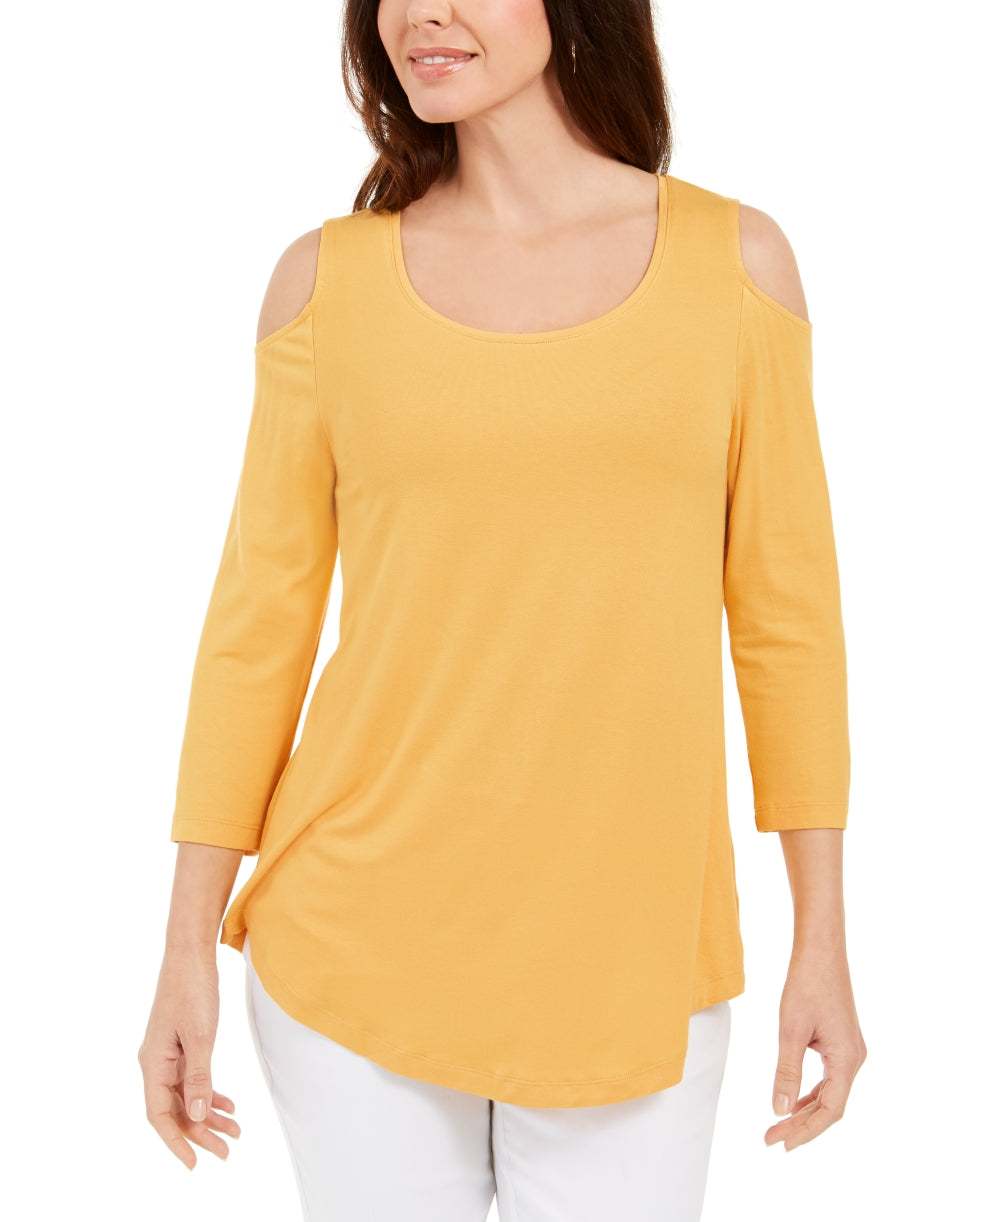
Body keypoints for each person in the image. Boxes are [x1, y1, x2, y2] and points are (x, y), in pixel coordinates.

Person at [138, 1, 867, 1217]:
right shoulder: (325, 283)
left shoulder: (735, 267)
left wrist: (822, 939)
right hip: (351, 947)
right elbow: (256, 632)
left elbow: (788, 623)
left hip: (632, 959)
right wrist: (182, 952)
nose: (420, 13)